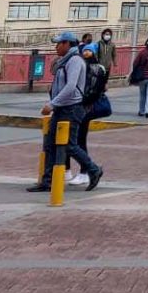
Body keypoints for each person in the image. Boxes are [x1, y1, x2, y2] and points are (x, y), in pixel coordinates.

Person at [26, 31, 102, 193]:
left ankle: (93, 169)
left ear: (67, 44)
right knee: (50, 144)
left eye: (59, 44)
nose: (56, 47)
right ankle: (47, 181)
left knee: (69, 145)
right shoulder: (65, 60)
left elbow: (70, 87)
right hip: (62, 108)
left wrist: (52, 104)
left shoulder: (75, 60)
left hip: (72, 108)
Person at [70, 39, 112, 186]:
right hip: (82, 106)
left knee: (78, 140)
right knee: (74, 140)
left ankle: (85, 172)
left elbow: (98, 88)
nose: (86, 53)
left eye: (89, 51)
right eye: (85, 51)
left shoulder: (98, 68)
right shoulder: (82, 65)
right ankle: (72, 171)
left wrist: (84, 101)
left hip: (86, 107)